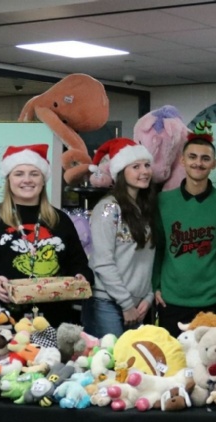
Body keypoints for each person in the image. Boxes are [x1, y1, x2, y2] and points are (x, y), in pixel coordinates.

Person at [0, 143, 93, 328]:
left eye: (34, 173)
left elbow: (78, 262)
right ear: (9, 179)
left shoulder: (60, 219)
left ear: (43, 179)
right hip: (2, 322)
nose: (27, 180)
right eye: (19, 173)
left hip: (53, 322)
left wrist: (80, 276)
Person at [153, 128, 216, 338]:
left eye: (205, 158)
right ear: (182, 160)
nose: (198, 163)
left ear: (214, 164)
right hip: (171, 300)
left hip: (212, 300)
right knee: (174, 362)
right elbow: (158, 247)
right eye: (192, 157)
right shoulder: (163, 201)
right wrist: (155, 286)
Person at [82, 138, 157, 337]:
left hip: (137, 304)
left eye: (147, 165)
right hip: (107, 303)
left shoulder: (145, 208)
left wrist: (148, 297)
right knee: (109, 364)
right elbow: (103, 262)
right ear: (121, 171)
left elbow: (147, 260)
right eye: (136, 166)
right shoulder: (107, 208)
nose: (144, 171)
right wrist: (126, 303)